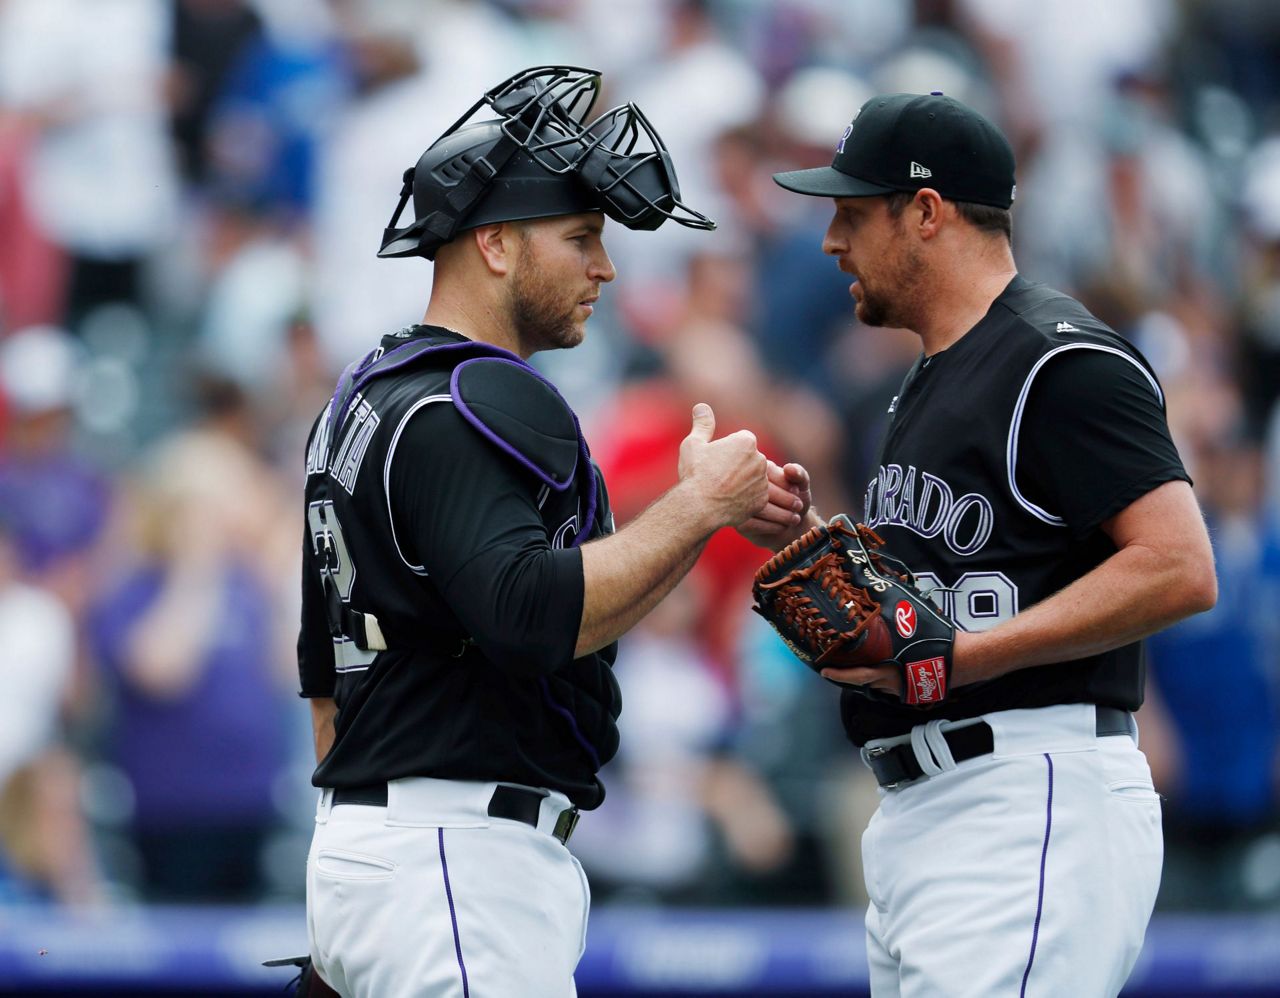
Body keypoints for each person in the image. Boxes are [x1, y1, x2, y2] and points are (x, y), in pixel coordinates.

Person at [296, 66, 795, 998]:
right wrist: (697, 510)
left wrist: (697, 519)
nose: (603, 267)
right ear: (494, 242)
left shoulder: (363, 399)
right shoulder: (479, 396)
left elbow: (328, 683)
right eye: (580, 238)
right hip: (459, 862)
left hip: (384, 852)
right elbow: (528, 617)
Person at [766, 92, 1217, 996]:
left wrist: (966, 659)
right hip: (932, 807)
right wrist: (798, 536)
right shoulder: (931, 377)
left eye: (853, 213)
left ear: (926, 213)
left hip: (1025, 793)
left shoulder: (1060, 360)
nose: (831, 242)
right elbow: (940, 598)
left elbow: (1179, 566)